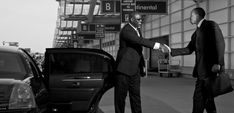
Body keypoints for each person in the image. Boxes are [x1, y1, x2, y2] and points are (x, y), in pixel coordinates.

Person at [169, 7, 225, 113]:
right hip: (201, 70)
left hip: (209, 70)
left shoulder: (211, 25)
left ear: (198, 16)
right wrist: (171, 51)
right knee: (208, 99)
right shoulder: (196, 33)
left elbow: (220, 44)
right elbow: (189, 49)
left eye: (192, 15)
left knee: (198, 98)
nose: (190, 18)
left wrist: (219, 63)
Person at [114, 12, 169, 113]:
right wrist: (159, 46)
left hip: (135, 70)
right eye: (138, 19)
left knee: (136, 97)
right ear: (131, 20)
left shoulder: (137, 29)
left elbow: (138, 49)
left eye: (141, 19)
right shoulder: (126, 30)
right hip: (123, 70)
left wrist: (142, 65)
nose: (141, 21)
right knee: (120, 99)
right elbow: (140, 41)